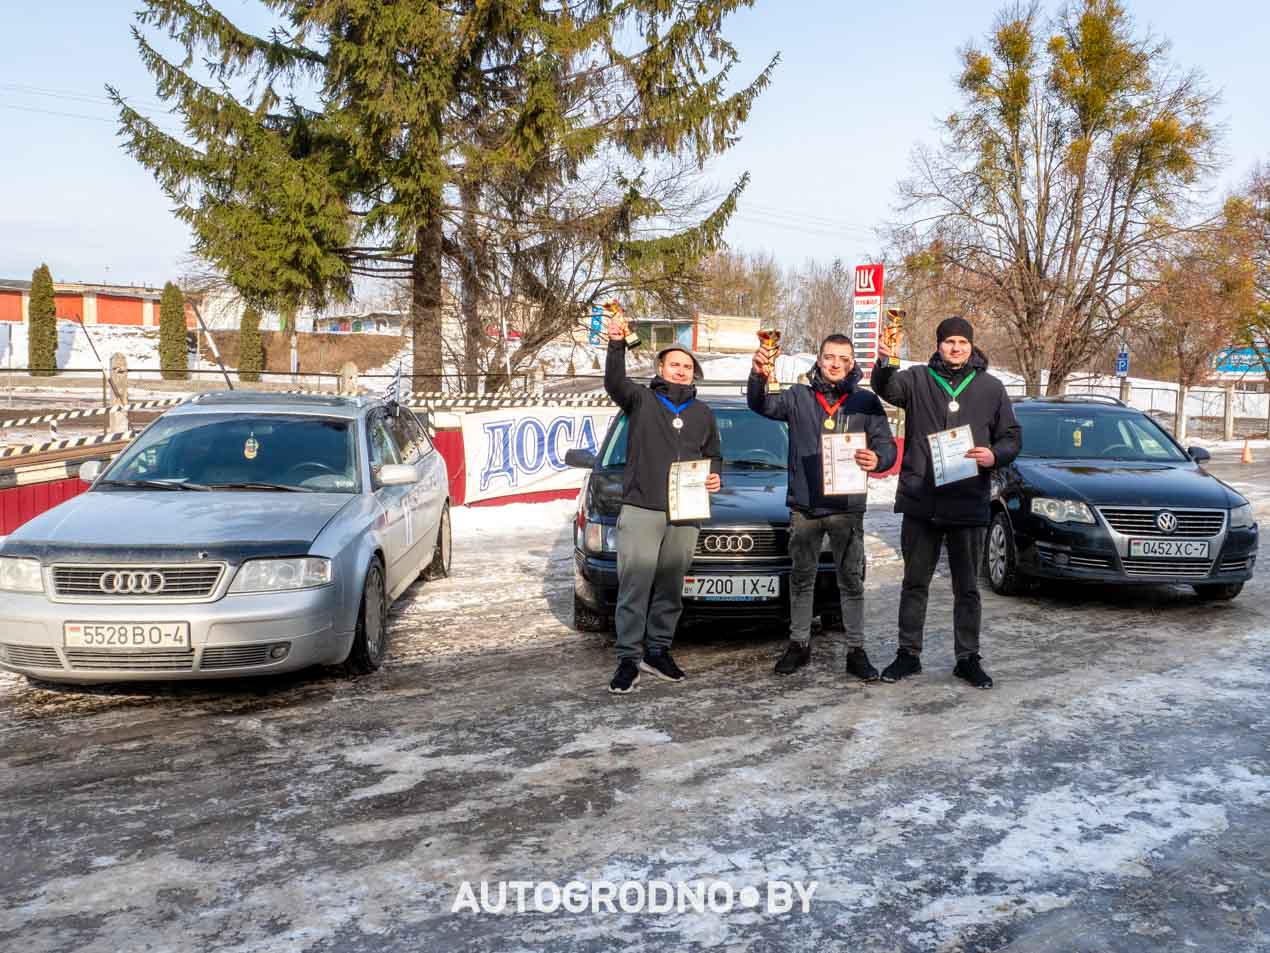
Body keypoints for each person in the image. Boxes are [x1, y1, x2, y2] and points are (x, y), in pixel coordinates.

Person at [871, 316, 1021, 689]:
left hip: (967, 501)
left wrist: (994, 455)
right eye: (949, 341)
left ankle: (967, 658)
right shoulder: (917, 379)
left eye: (962, 342)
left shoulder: (991, 387)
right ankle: (908, 654)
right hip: (922, 500)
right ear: (939, 345)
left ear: (971, 346)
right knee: (914, 583)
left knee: (967, 588)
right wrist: (886, 361)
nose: (956, 348)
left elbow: (1012, 437)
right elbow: (886, 388)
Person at [747, 334, 897, 679]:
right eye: (829, 357)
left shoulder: (866, 401)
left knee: (851, 580)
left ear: (852, 362)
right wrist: (757, 375)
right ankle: (799, 644)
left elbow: (886, 446)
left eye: (843, 358)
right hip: (806, 507)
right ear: (819, 359)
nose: (835, 364)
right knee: (802, 578)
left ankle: (856, 650)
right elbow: (761, 405)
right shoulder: (797, 396)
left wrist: (878, 459)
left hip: (847, 507)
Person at [603, 319, 722, 694]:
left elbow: (713, 455)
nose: (681, 371)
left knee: (671, 586)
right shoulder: (641, 400)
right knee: (634, 585)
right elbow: (614, 383)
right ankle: (628, 657)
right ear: (661, 368)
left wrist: (714, 476)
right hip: (643, 507)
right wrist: (616, 344)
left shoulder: (703, 412)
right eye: (675, 364)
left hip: (686, 512)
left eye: (687, 366)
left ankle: (657, 650)